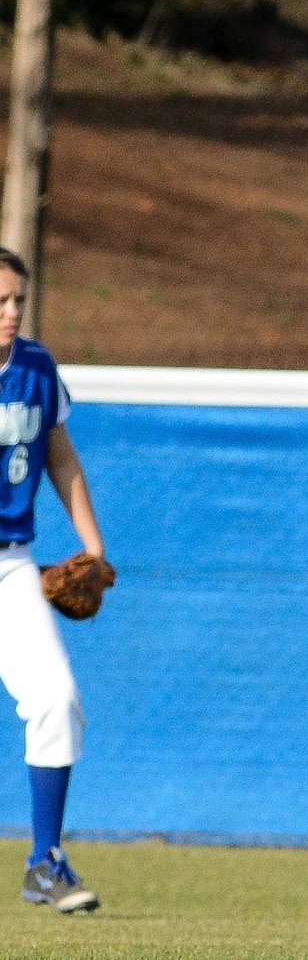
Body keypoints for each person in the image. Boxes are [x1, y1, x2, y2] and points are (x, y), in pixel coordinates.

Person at [0, 248, 106, 914]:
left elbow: (60, 460)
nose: (12, 311)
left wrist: (93, 546)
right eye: (0, 300)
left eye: (18, 298)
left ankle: (45, 862)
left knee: (56, 698)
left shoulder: (36, 369)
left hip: (9, 564)